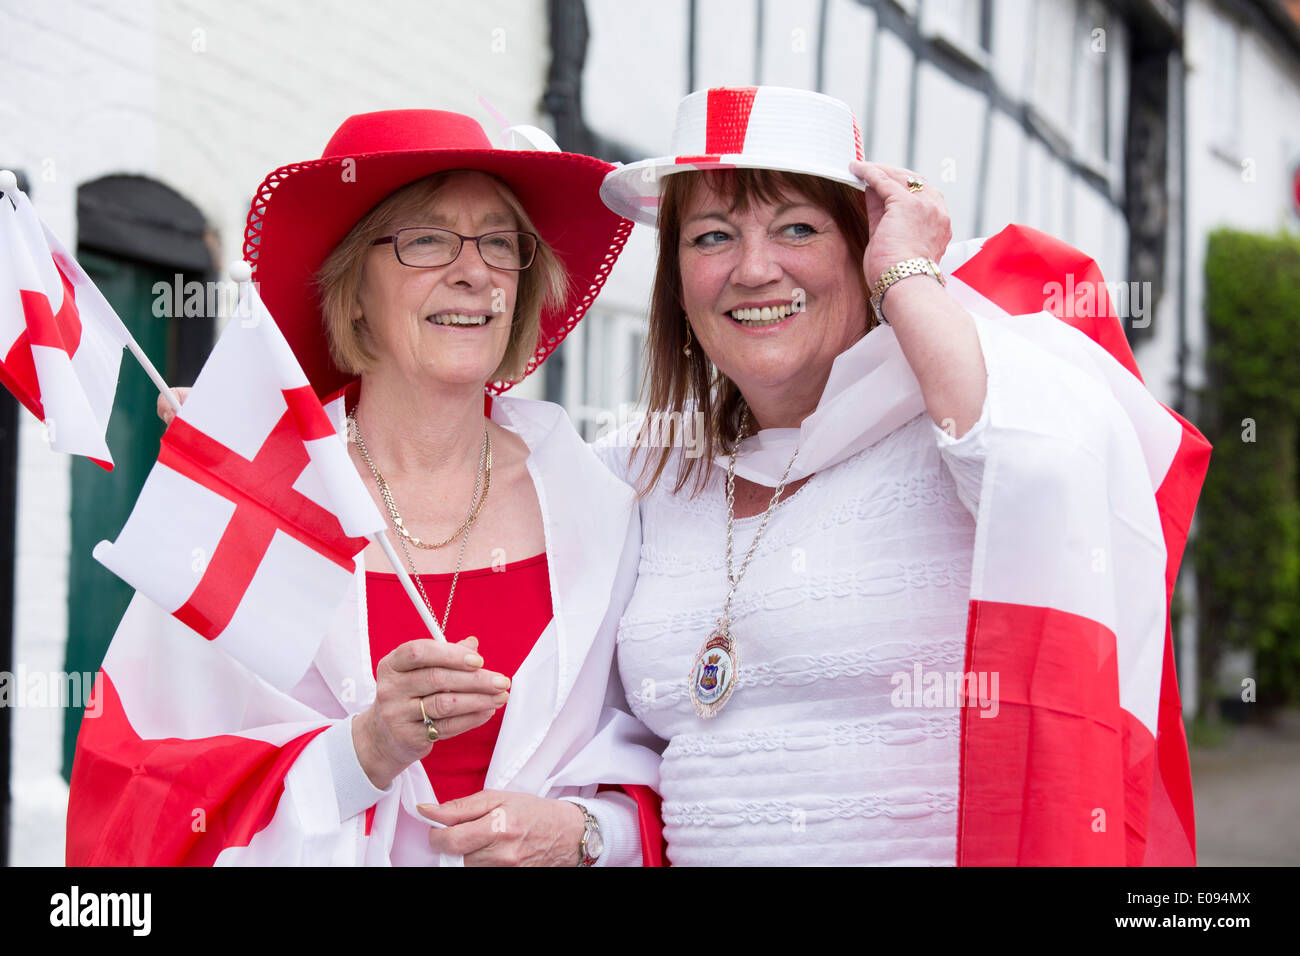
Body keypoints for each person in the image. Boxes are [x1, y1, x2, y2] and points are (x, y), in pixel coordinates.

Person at [595, 86, 1208, 865]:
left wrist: (911, 276)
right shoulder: (643, 472)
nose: (753, 269)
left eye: (798, 228)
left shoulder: (957, 424)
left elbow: (1052, 483)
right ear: (675, 280)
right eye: (712, 236)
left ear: (862, 249)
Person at [66, 109, 665, 866]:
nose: (474, 270)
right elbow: (141, 787)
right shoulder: (251, 501)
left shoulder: (604, 507)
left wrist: (585, 836)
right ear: (352, 290)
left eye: (499, 242)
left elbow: (688, 763)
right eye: (425, 239)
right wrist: (364, 751)